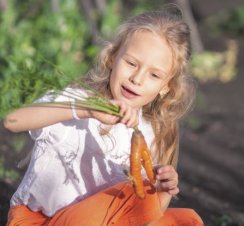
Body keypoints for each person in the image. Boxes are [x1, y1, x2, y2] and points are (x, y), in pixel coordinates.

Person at [4, 7, 204, 226]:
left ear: (166, 87)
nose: (137, 78)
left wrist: (162, 191)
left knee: (186, 221)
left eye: (154, 75)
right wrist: (83, 109)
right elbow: (12, 121)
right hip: (40, 221)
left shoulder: (148, 132)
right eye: (131, 63)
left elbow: (138, 215)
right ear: (111, 58)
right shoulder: (79, 101)